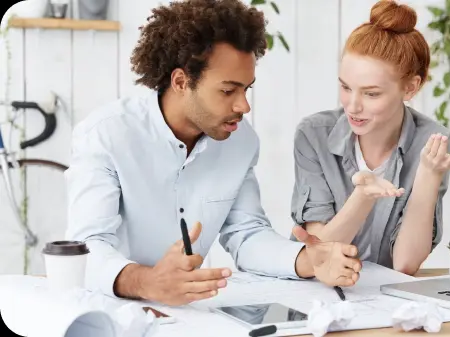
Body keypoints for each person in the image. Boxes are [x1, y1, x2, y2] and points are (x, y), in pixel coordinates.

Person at [64, 0, 362, 307]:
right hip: (109, 311)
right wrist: (147, 281)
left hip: (190, 316)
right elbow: (86, 247)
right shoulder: (106, 135)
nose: (244, 106)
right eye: (228, 90)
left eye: (246, 89)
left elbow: (246, 234)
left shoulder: (241, 141)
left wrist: (307, 260)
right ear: (181, 81)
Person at [290, 0, 450, 276]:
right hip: (317, 292)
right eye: (345, 87)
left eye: (371, 94)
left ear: (410, 88)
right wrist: (363, 196)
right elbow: (320, 252)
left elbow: (405, 264)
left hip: (386, 300)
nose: (353, 106)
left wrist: (429, 175)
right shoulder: (314, 135)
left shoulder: (432, 142)